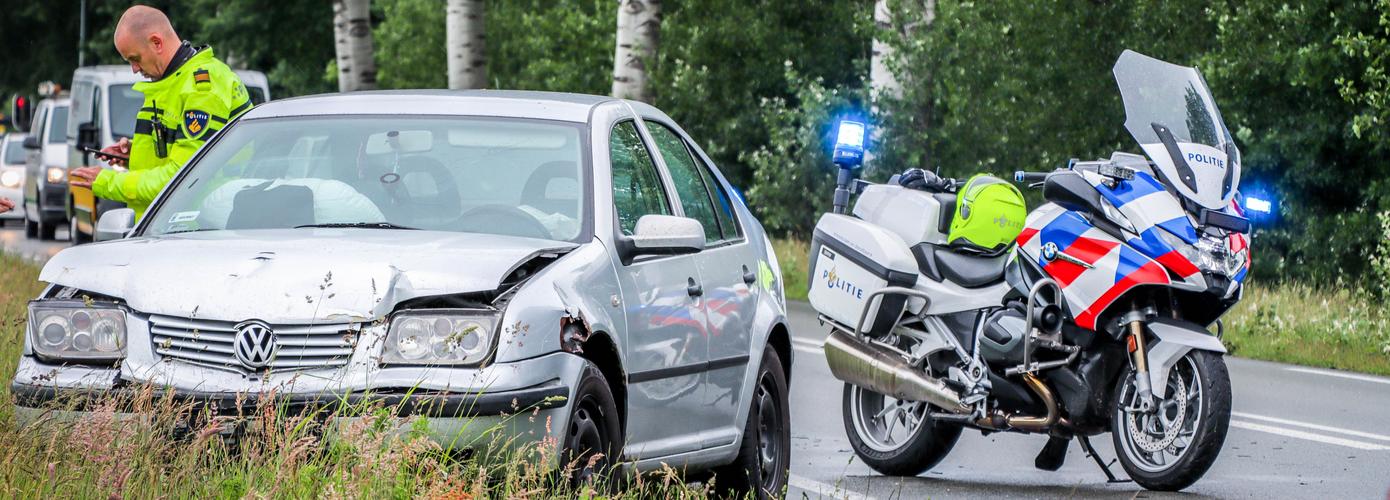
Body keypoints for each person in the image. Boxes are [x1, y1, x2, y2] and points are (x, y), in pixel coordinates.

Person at [69, 5, 253, 221]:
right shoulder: (171, 82)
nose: (134, 69)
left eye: (134, 58)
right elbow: (183, 153)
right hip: (173, 227)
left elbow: (183, 178)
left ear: (157, 42)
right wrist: (135, 155)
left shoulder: (201, 87)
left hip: (196, 228)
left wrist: (108, 182)